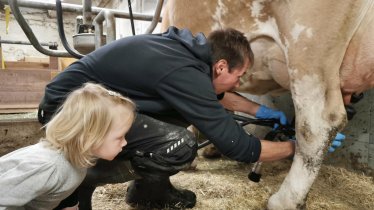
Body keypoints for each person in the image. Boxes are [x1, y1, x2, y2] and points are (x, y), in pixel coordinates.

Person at [37, 26, 303, 209]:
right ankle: (85, 176)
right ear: (221, 66)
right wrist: (297, 148)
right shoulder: (186, 72)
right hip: (67, 111)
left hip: (85, 105)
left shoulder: (190, 59)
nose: (239, 82)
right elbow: (238, 147)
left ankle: (148, 193)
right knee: (180, 144)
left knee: (174, 118)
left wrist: (259, 111)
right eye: (239, 74)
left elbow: (213, 97)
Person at [0, 83, 136, 209]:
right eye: (119, 137)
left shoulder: (78, 159)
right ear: (90, 136)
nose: (124, 142)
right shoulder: (47, 167)